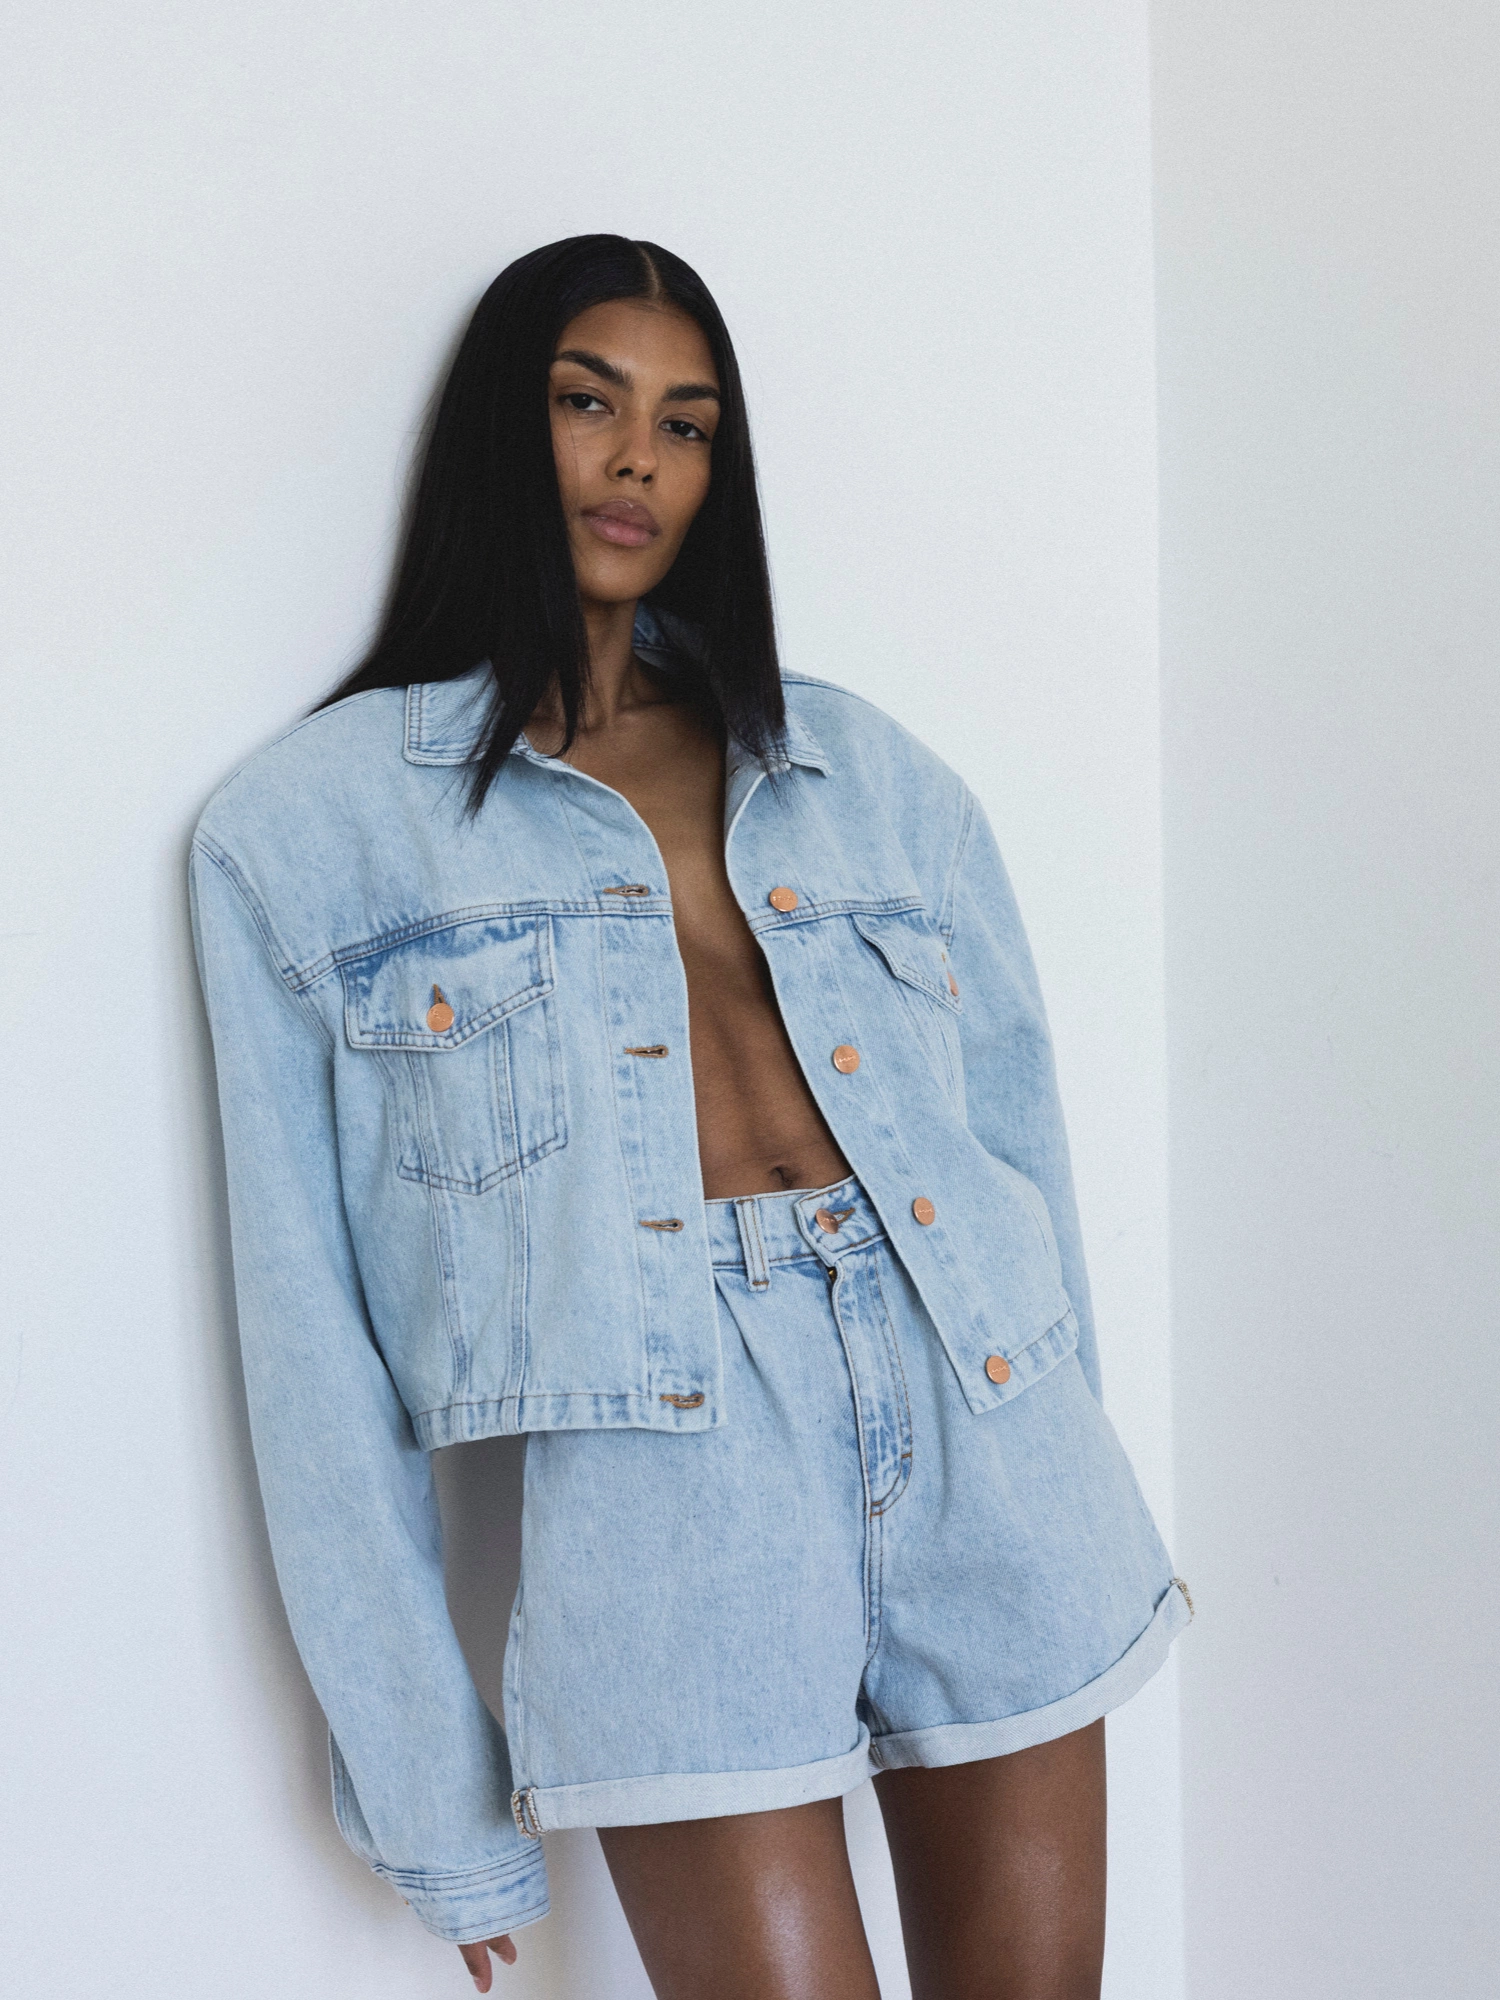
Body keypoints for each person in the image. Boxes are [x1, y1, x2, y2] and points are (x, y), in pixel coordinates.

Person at [191, 235, 1189, 2000]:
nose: (637, 459)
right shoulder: (311, 833)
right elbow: (309, 1357)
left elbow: (1019, 1166)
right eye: (588, 401)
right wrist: (426, 1786)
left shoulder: (867, 774)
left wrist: (1075, 1461)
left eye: (687, 423)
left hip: (989, 1425)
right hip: (674, 1480)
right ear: (502, 427)